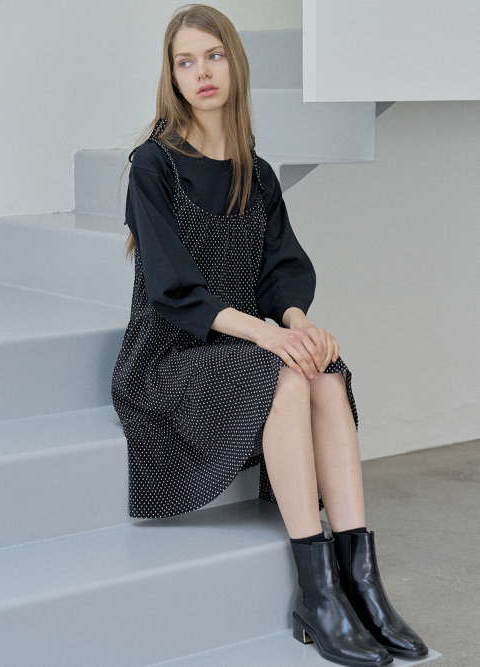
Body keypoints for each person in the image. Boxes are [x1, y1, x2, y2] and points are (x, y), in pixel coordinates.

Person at [111, 4, 429, 665]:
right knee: (285, 374)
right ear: (172, 76)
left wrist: (300, 325)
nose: (202, 72)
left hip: (242, 344)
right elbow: (173, 289)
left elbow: (280, 270)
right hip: (170, 355)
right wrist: (269, 337)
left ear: (235, 63)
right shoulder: (153, 165)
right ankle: (317, 591)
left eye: (213, 56)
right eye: (185, 61)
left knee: (326, 372)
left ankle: (361, 581)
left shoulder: (258, 171)